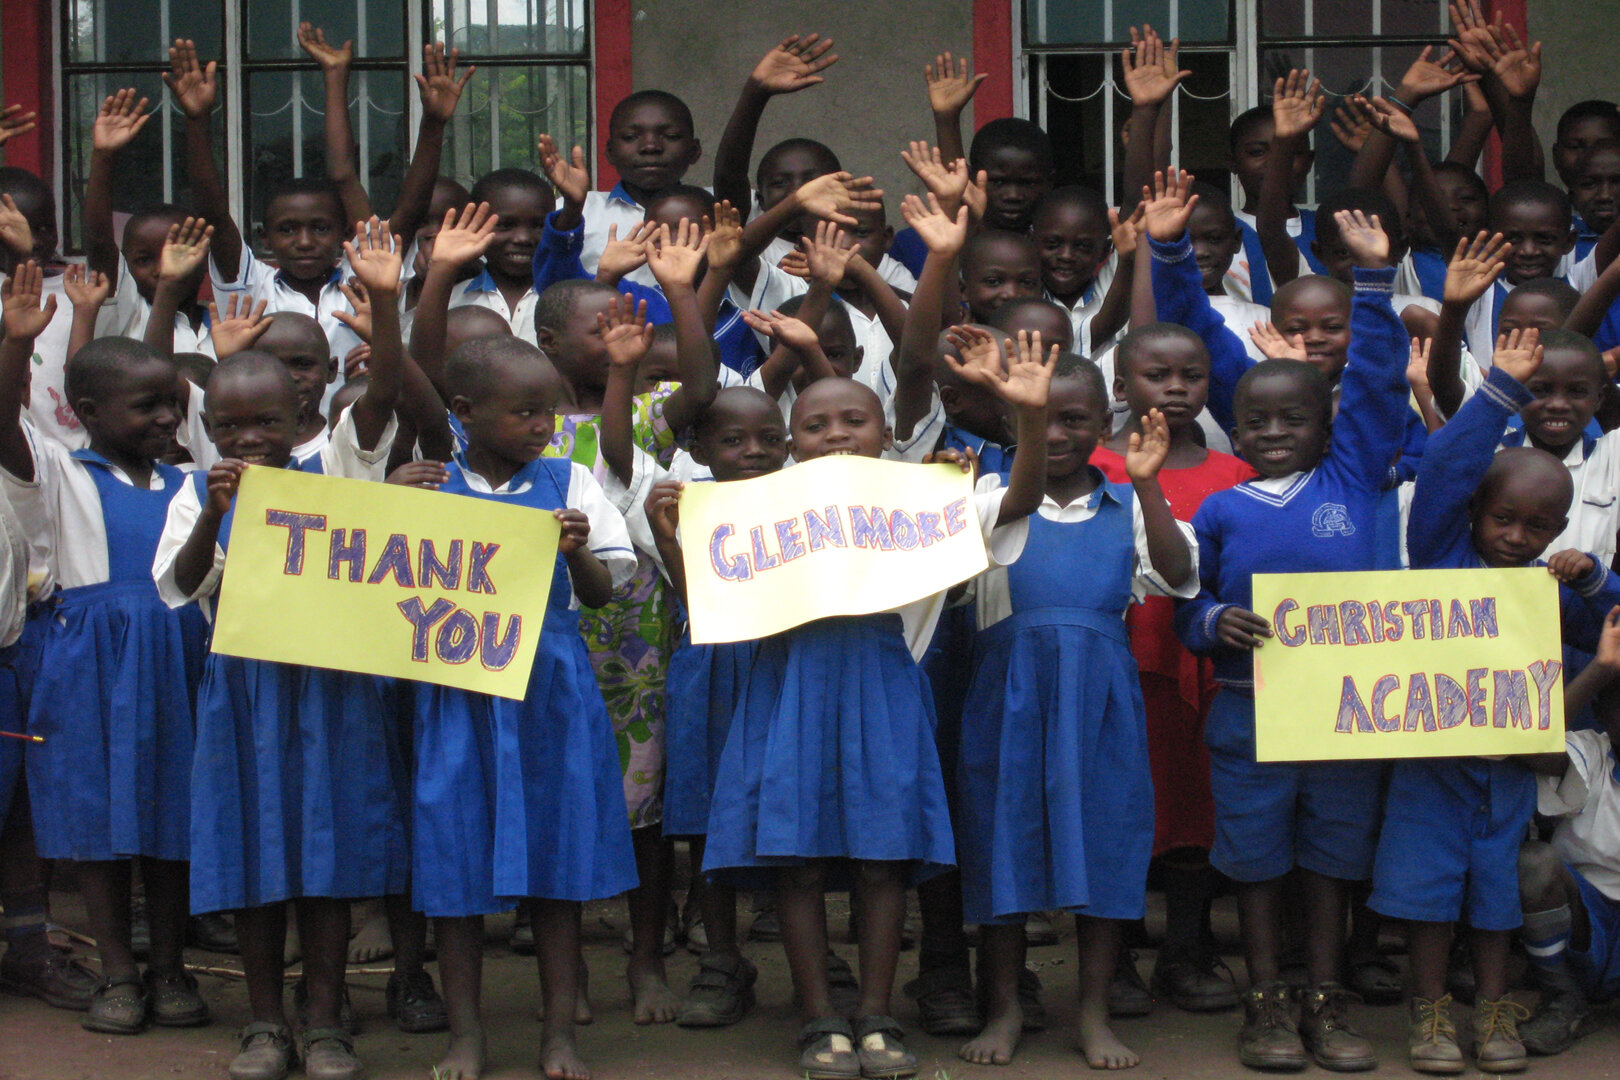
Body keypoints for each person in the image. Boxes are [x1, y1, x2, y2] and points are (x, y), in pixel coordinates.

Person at [705, 339, 1050, 1078]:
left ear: (886, 432)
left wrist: (1026, 414)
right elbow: (708, 594)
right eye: (816, 425)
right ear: (791, 445)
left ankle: (875, 1014)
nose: (836, 435)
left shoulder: (921, 498)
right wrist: (680, 533)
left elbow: (1017, 500)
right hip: (787, 693)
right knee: (795, 864)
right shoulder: (758, 509)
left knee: (882, 861)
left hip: (886, 695)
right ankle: (818, 1017)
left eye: (854, 420)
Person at [1160, 173, 1410, 1072]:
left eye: (1289, 416)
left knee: (1332, 862)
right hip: (1247, 710)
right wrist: (1215, 619)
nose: (1268, 429)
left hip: (1345, 716)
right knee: (1256, 863)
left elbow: (1380, 387)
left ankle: (1326, 999)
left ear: (1325, 424)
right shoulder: (1223, 509)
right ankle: (1265, 1003)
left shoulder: (1351, 478)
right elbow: (1189, 602)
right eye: (1254, 417)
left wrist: (1375, 287)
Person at [153, 218, 409, 1080]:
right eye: (228, 426)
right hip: (245, 690)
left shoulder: (335, 466)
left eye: (265, 421)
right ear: (208, 427)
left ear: (303, 411)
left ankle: (328, 1017)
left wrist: (387, 302)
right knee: (254, 853)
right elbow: (184, 585)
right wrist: (221, 511)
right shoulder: (196, 492)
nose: (248, 439)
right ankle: (266, 1023)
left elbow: (380, 407)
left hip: (333, 686)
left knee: (329, 859)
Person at [1371, 326, 1620, 1073]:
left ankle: (1491, 1011)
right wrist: (1497, 393)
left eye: (1538, 528)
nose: (1516, 537)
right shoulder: (1444, 554)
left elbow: (1605, 617)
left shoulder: (1542, 587)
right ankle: (1431, 1015)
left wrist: (1585, 578)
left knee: (1494, 897)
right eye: (1502, 519)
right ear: (1474, 512)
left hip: (1508, 772)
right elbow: (1446, 470)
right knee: (1424, 900)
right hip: (1430, 766)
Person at [393, 334, 637, 1080]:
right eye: (525, 412)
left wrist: (577, 553)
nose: (543, 428)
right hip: (454, 697)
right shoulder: (428, 485)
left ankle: (559, 1032)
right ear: (464, 413)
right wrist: (392, 507)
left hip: (550, 694)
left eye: (551, 414)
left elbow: (604, 594)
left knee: (557, 872)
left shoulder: (571, 484)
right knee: (454, 868)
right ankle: (465, 1037)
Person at [957, 345, 1195, 1070]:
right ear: (1009, 414)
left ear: (1106, 421)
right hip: (1010, 699)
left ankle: (1092, 1012)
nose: (1056, 433)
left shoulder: (1127, 507)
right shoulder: (987, 498)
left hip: (1101, 705)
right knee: (1004, 850)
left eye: (1073, 419)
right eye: (1038, 417)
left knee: (1107, 849)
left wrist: (1149, 485)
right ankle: (1003, 1005)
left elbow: (1179, 573)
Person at [0, 264, 206, 1035]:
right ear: (86, 411)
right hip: (85, 662)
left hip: (178, 658)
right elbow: (5, 426)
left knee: (172, 811)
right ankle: (118, 968)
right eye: (147, 406)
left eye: (173, 407)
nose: (164, 419)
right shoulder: (58, 473)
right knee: (93, 813)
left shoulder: (190, 487)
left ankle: (171, 966)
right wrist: (16, 350)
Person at [534, 231, 719, 1026]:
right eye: (599, 326)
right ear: (545, 344)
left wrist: (679, 290)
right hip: (553, 637)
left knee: (645, 808)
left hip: (639, 637)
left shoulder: (646, 409)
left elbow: (699, 389)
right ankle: (564, 967)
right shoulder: (525, 420)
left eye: (628, 323)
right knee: (562, 799)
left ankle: (646, 957)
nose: (621, 334)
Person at [1092, 323, 1254, 1012]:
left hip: (1207, 669)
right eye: (1160, 375)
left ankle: (1186, 950)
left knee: (1194, 809)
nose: (1179, 387)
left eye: (1192, 374)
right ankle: (1118, 957)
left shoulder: (1238, 474)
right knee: (1123, 809)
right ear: (1123, 387)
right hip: (1123, 667)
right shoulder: (1092, 464)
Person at [629, 387, 791, 1028]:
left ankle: (818, 954)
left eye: (768, 438)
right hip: (714, 665)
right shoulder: (685, 506)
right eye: (732, 440)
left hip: (785, 668)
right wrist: (670, 540)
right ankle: (721, 958)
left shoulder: (808, 500)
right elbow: (700, 599)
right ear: (697, 450)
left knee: (791, 803)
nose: (753, 451)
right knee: (706, 813)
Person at [1517, 618, 1620, 1055]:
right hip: (1586, 908)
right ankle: (1563, 997)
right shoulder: (1593, 751)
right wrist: (1600, 667)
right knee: (1534, 863)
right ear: (1601, 713)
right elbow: (1536, 750)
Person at [578, 90, 703, 275]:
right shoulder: (581, 212)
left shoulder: (714, 209)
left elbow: (732, 174)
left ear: (694, 150)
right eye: (630, 137)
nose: (650, 147)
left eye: (670, 135)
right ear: (610, 151)